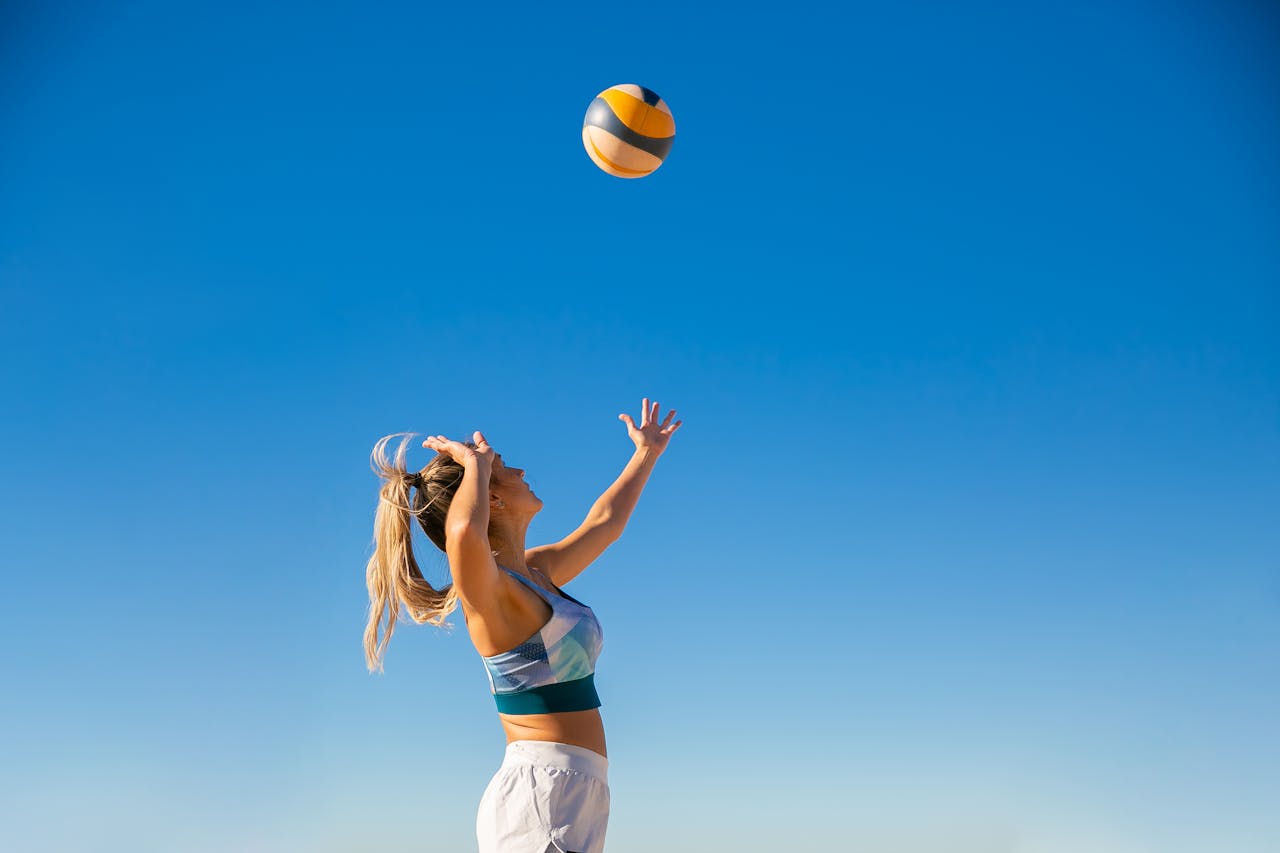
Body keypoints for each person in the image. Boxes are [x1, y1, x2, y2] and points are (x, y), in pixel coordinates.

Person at [364, 398, 682, 853]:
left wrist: (646, 453)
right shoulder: (491, 596)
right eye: (505, 468)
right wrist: (475, 465)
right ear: (490, 497)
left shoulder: (536, 573)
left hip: (579, 787)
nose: (521, 471)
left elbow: (605, 524)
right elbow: (463, 537)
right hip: (540, 793)